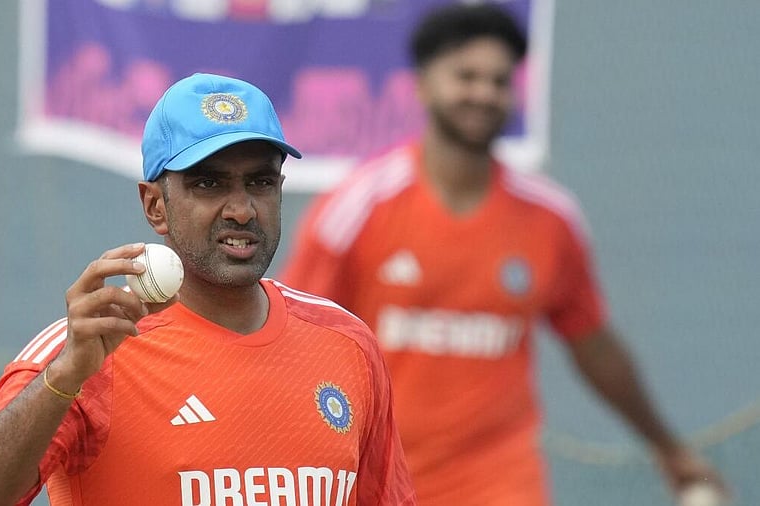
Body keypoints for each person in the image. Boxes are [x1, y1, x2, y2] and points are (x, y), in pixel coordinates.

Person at [279, 4, 727, 506]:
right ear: (423, 85)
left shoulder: (550, 218)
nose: (483, 93)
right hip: (376, 475)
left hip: (500, 479)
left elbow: (593, 343)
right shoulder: (357, 208)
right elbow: (295, 338)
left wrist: (667, 447)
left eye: (498, 80)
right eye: (466, 76)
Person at [0, 73, 417, 506]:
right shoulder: (89, 346)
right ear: (155, 206)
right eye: (209, 184)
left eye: (261, 182)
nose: (242, 209)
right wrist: (64, 377)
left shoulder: (346, 342)